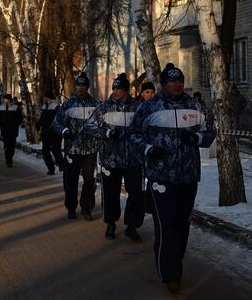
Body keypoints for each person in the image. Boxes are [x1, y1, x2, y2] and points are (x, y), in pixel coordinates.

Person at [130, 63, 215, 294]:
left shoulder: (194, 105)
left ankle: (174, 262)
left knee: (182, 224)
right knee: (166, 225)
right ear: (164, 83)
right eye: (172, 80)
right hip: (160, 176)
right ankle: (171, 275)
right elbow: (133, 135)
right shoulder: (150, 108)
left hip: (188, 176)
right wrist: (148, 150)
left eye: (180, 80)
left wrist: (195, 139)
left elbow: (210, 132)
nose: (177, 84)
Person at [87, 73, 144, 241]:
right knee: (111, 194)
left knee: (136, 194)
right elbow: (89, 127)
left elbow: (146, 128)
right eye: (114, 88)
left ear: (126, 90)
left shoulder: (137, 107)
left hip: (134, 159)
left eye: (118, 88)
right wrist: (106, 133)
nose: (115, 91)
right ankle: (111, 223)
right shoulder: (104, 107)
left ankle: (132, 226)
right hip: (110, 159)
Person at [53, 72, 99, 220]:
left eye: (83, 85)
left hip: (90, 150)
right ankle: (71, 207)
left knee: (89, 180)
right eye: (78, 85)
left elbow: (102, 123)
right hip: (72, 149)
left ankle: (87, 208)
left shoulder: (96, 104)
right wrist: (64, 131)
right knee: (70, 180)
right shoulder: (68, 104)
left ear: (87, 87)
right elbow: (56, 122)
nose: (80, 88)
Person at [37, 91, 62, 175]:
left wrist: (53, 127)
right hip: (45, 133)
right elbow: (42, 118)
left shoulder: (56, 107)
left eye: (45, 97)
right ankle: (51, 169)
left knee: (55, 150)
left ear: (49, 98)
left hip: (55, 133)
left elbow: (58, 119)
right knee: (45, 151)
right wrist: (38, 125)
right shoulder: (44, 106)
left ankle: (62, 164)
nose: (43, 98)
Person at [0, 94, 22, 167]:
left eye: (6, 99)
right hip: (5, 130)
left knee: (12, 146)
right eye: (4, 99)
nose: (5, 100)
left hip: (13, 130)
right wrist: (1, 124)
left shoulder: (15, 107)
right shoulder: (1, 107)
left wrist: (14, 123)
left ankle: (10, 158)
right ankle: (8, 161)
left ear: (9, 100)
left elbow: (20, 118)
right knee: (6, 146)